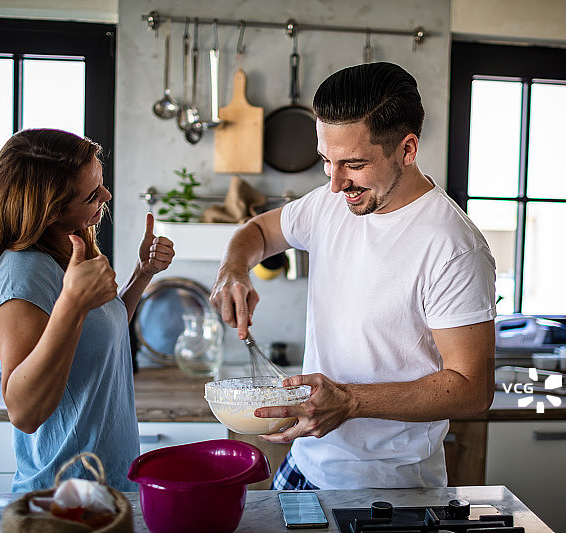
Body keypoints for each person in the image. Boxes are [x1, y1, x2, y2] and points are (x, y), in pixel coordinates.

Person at [210, 62, 496, 490]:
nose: (335, 183)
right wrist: (234, 270)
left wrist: (351, 401)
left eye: (354, 164)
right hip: (303, 464)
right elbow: (259, 231)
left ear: (408, 148)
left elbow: (473, 389)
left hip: (389, 486)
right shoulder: (333, 202)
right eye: (327, 161)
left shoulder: (453, 247)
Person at [0, 128, 175, 492]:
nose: (107, 196)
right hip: (63, 499)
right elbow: (24, 412)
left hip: (105, 487)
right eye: (93, 195)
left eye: (102, 183)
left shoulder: (68, 251)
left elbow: (97, 334)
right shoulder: (24, 271)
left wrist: (141, 275)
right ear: (49, 211)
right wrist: (73, 304)